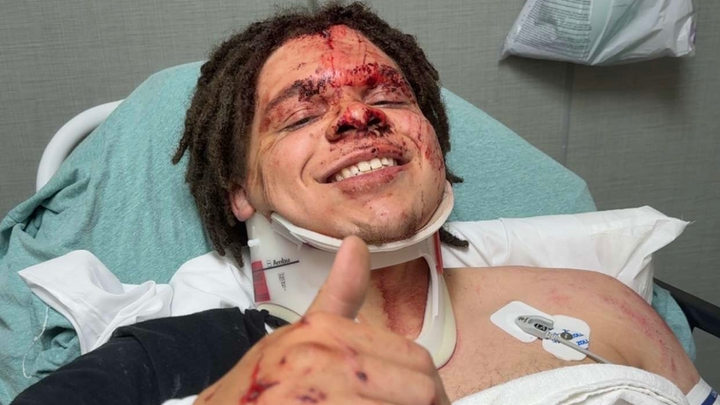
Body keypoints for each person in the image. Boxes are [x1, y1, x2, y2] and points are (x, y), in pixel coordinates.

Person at [12, 2, 706, 405]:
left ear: (436, 147)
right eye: (299, 114)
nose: (356, 117)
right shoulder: (171, 360)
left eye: (387, 97)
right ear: (241, 192)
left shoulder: (599, 304)